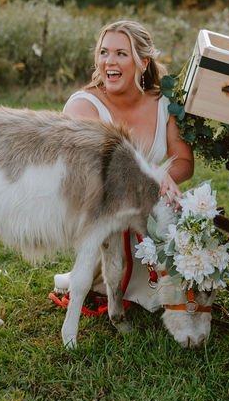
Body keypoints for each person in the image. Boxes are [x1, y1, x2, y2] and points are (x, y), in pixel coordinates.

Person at [49, 19, 194, 313]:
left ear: (143, 62)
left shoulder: (164, 103)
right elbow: (85, 179)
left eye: (121, 54)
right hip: (102, 211)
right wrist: (150, 180)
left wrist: (162, 178)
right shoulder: (83, 107)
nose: (109, 62)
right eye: (104, 52)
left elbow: (184, 161)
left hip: (152, 207)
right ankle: (106, 277)